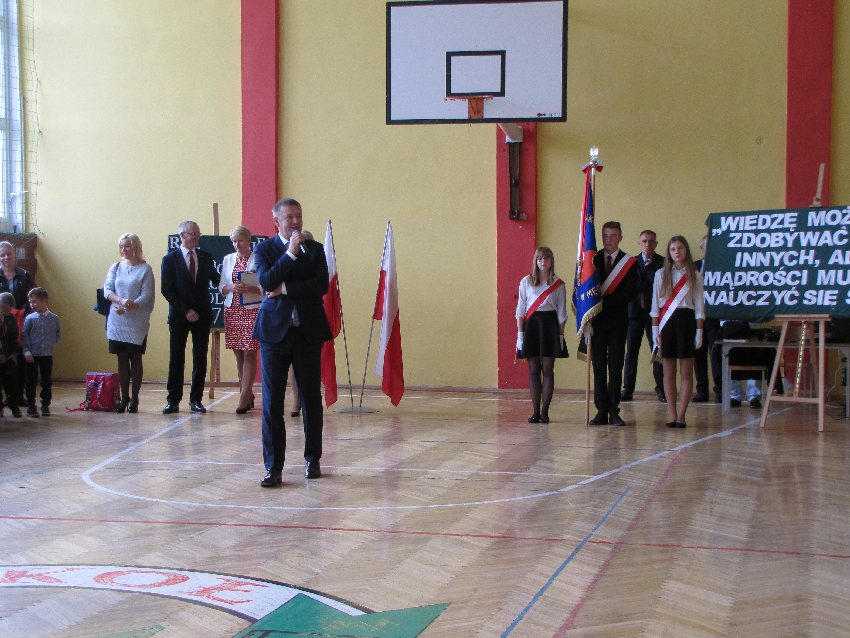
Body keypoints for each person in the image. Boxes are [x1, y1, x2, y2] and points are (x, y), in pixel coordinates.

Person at [252, 198, 331, 487]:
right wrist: (290, 254)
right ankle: (274, 467)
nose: (295, 222)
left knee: (311, 398)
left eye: (299, 216)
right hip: (274, 333)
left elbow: (320, 285)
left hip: (307, 332)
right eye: (289, 217)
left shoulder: (316, 249)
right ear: (277, 221)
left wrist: (284, 288)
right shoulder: (264, 249)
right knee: (272, 403)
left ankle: (313, 459)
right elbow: (265, 280)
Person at [160, 220, 221, 414]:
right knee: (176, 358)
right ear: (182, 236)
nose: (196, 237)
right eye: (193, 234)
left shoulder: (205, 257)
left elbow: (218, 280)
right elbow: (167, 289)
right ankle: (173, 400)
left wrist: (235, 282)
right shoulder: (170, 259)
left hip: (202, 315)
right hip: (179, 315)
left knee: (200, 358)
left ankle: (196, 400)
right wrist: (186, 310)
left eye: (198, 234)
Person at [651, 236, 705, 428]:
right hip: (667, 324)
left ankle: (682, 415)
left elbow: (699, 306)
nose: (677, 252)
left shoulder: (695, 275)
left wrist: (699, 331)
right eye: (673, 249)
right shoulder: (660, 274)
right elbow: (655, 306)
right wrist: (655, 330)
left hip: (687, 322)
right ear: (669, 252)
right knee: (668, 372)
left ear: (686, 250)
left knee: (686, 372)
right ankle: (672, 413)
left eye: (680, 248)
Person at [589, 221, 637, 426]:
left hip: (618, 322)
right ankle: (601, 410)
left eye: (613, 235)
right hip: (597, 322)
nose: (609, 240)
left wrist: (603, 301)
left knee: (616, 367)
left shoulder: (630, 263)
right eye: (605, 236)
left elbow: (629, 293)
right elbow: (586, 290)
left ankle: (613, 410)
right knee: (599, 366)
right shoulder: (593, 260)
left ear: (620, 237)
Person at [103, 233, 156, 413]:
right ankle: (124, 397)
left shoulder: (145, 269)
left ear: (135, 247)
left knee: (135, 357)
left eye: (127, 246)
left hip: (136, 320)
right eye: (121, 246)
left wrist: (130, 306)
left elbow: (147, 294)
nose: (124, 249)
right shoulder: (116, 267)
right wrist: (121, 300)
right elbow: (107, 290)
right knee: (122, 358)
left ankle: (135, 399)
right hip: (117, 319)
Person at [516, 246, 568, 423]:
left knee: (547, 368)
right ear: (535, 261)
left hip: (550, 326)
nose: (543, 261)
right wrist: (520, 336)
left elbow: (562, 313)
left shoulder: (558, 284)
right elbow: (520, 310)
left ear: (551, 260)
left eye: (546, 258)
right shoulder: (526, 282)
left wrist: (560, 336)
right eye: (539, 258)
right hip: (532, 326)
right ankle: (535, 411)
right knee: (533, 369)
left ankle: (545, 412)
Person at [219, 225, 262, 414]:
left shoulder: (257, 259)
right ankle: (247, 392)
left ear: (248, 240)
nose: (237, 244)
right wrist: (231, 287)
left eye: (240, 241)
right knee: (238, 354)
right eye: (234, 241)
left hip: (251, 310)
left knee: (250, 352)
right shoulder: (228, 259)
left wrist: (249, 288)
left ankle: (243, 397)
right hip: (233, 309)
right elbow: (222, 286)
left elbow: (264, 286)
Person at [622, 229, 665, 403]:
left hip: (654, 314)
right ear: (639, 243)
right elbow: (629, 287)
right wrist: (645, 283)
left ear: (656, 243)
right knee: (631, 352)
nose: (648, 244)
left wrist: (643, 282)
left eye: (651, 241)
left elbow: (659, 286)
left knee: (657, 350)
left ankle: (661, 389)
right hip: (634, 313)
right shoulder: (631, 262)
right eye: (644, 241)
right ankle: (628, 389)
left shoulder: (663, 263)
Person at [0, 240, 35, 407]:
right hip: (1, 323)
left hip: (21, 321)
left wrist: (21, 315)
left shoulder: (25, 275)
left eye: (9, 254)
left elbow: (31, 299)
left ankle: (18, 396)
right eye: (2, 255)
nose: (6, 257)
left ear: (15, 256)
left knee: (20, 360)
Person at [22, 287, 61, 417]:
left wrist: (50, 345)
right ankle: (31, 406)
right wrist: (27, 351)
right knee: (31, 381)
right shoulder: (30, 318)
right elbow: (25, 335)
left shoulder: (54, 318)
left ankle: (45, 405)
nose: (32, 304)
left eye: (34, 301)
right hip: (32, 355)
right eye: (30, 302)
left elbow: (57, 334)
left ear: (44, 301)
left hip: (47, 355)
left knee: (46, 381)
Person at [694, 234, 722, 402]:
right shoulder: (693, 267)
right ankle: (702, 391)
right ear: (701, 248)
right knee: (698, 354)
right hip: (696, 316)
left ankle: (720, 390)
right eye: (706, 246)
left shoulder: (721, 267)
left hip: (714, 316)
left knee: (716, 353)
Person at [0, 292, 21, 418]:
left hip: (8, 357)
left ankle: (14, 407)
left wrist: (10, 354)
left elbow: (14, 338)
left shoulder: (11, 318)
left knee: (11, 383)